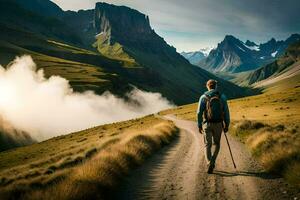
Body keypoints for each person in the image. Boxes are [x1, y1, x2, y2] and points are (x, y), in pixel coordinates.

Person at [197, 79, 230, 174]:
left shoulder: (203, 97)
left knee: (207, 144)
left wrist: (199, 125)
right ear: (216, 86)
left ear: (207, 86)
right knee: (217, 144)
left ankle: (209, 162)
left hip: (207, 124)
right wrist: (226, 124)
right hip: (218, 124)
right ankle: (213, 161)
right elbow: (226, 112)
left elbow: (199, 113)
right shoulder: (222, 97)